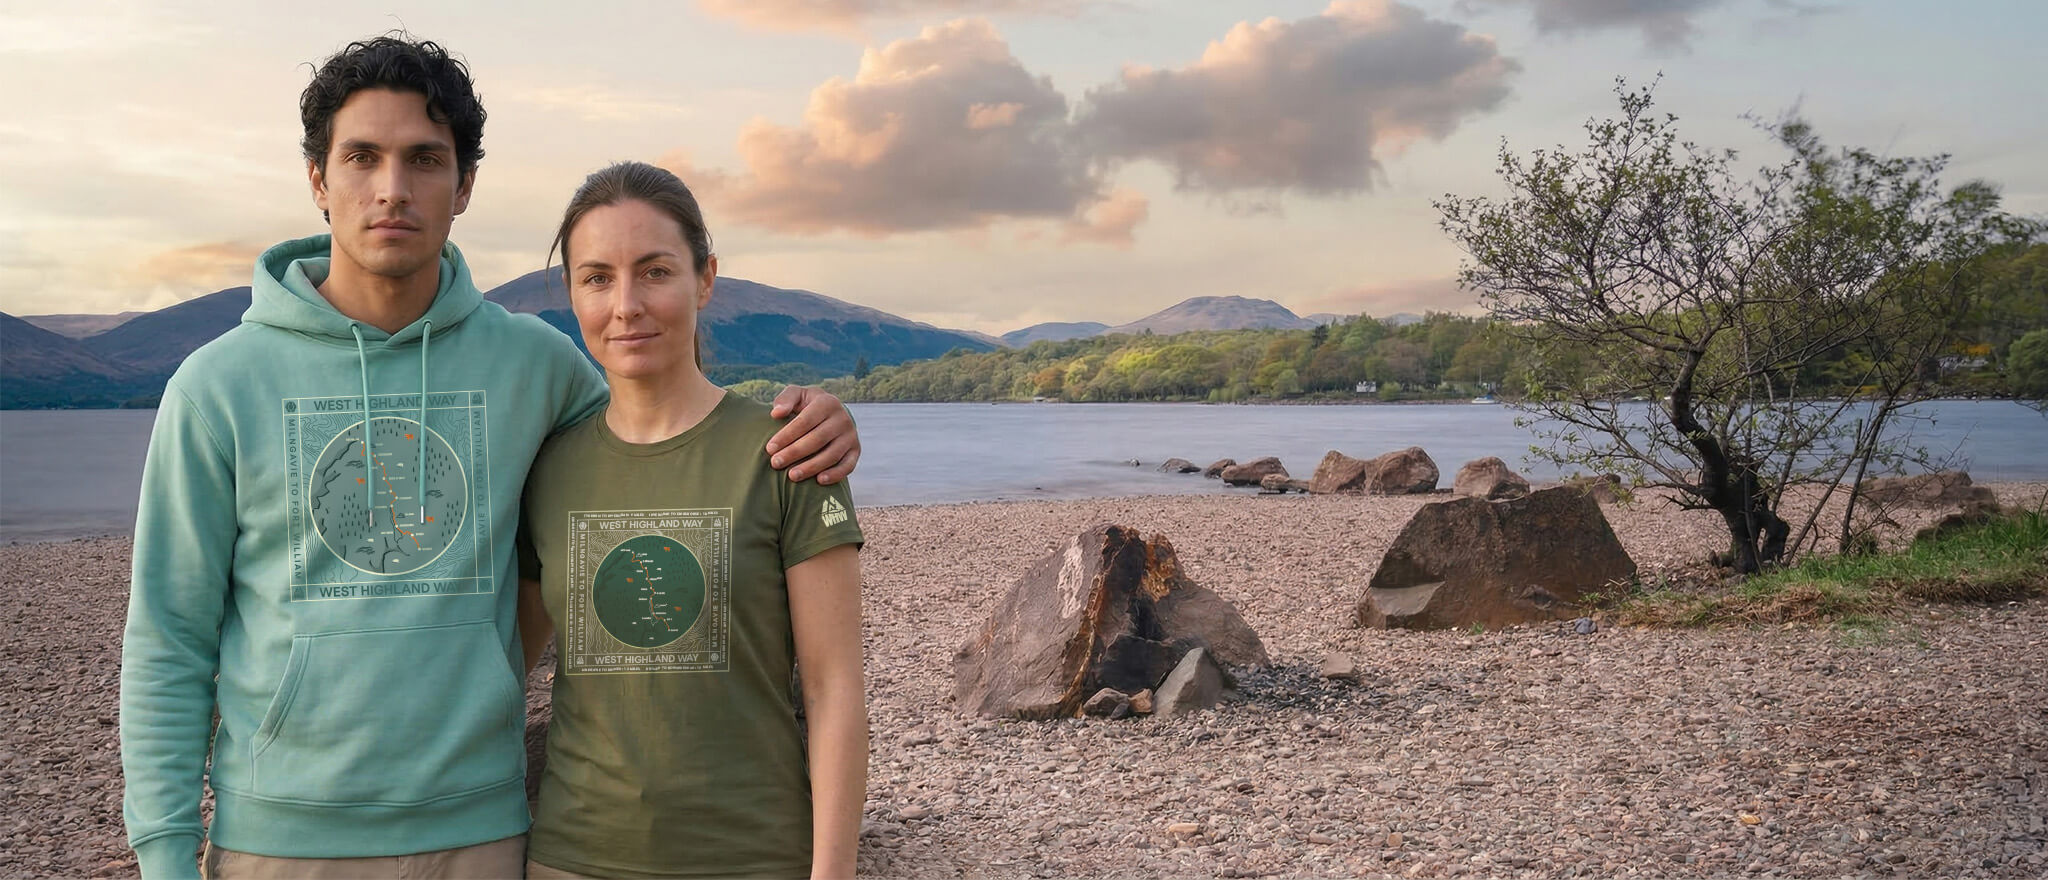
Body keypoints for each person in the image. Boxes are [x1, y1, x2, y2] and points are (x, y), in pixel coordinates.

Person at [119, 36, 862, 880]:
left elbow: (653, 429)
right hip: (280, 840)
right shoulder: (216, 387)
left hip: (484, 833)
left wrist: (812, 421)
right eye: (362, 157)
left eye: (424, 160)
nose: (392, 189)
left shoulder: (537, 369)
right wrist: (166, 856)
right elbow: (168, 643)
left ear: (463, 184)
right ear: (319, 181)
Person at [516, 161, 866, 880]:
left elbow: (835, 691)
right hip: (573, 856)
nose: (626, 305)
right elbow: (506, 670)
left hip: (754, 856)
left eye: (655, 271)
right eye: (597, 278)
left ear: (705, 279)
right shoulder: (544, 471)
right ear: (573, 295)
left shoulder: (787, 451)